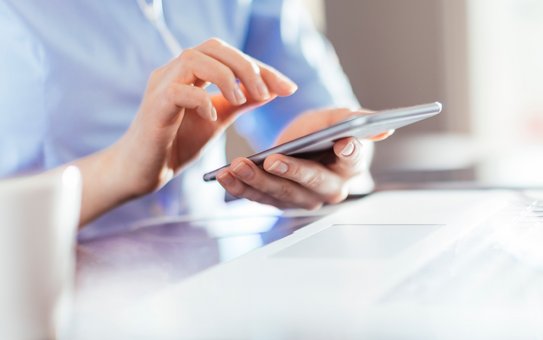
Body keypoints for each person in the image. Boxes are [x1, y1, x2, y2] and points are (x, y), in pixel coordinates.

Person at [0, 0, 389, 238]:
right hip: (43, 307)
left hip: (211, 280)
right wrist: (117, 171)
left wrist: (334, 158)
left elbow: (326, 118)